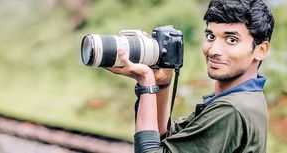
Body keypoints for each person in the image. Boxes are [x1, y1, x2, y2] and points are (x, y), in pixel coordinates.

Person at [107, 0, 275, 152]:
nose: (214, 50)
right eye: (210, 36)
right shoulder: (247, 98)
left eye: (231, 40)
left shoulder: (231, 109)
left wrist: (146, 83)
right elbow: (167, 140)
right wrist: (162, 83)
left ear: (261, 50)